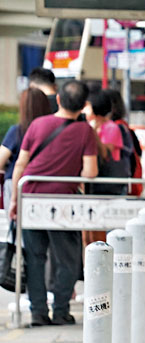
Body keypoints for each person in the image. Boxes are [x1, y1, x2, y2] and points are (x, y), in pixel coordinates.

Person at [8, 80, 98, 327]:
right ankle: (60, 311)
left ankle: (38, 312)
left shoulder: (38, 124)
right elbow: (90, 172)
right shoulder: (85, 131)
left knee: (35, 257)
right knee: (67, 259)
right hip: (63, 203)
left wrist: (15, 198)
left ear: (58, 99)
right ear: (83, 106)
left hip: (32, 198)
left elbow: (20, 164)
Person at [0, 88, 53, 212]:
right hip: (46, 184)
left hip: (18, 184)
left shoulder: (17, 131)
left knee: (17, 227)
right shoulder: (52, 131)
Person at [85, 90, 130, 197]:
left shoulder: (111, 127)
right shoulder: (93, 126)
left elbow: (105, 153)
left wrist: (92, 133)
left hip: (109, 180)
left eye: (87, 106)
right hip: (97, 179)